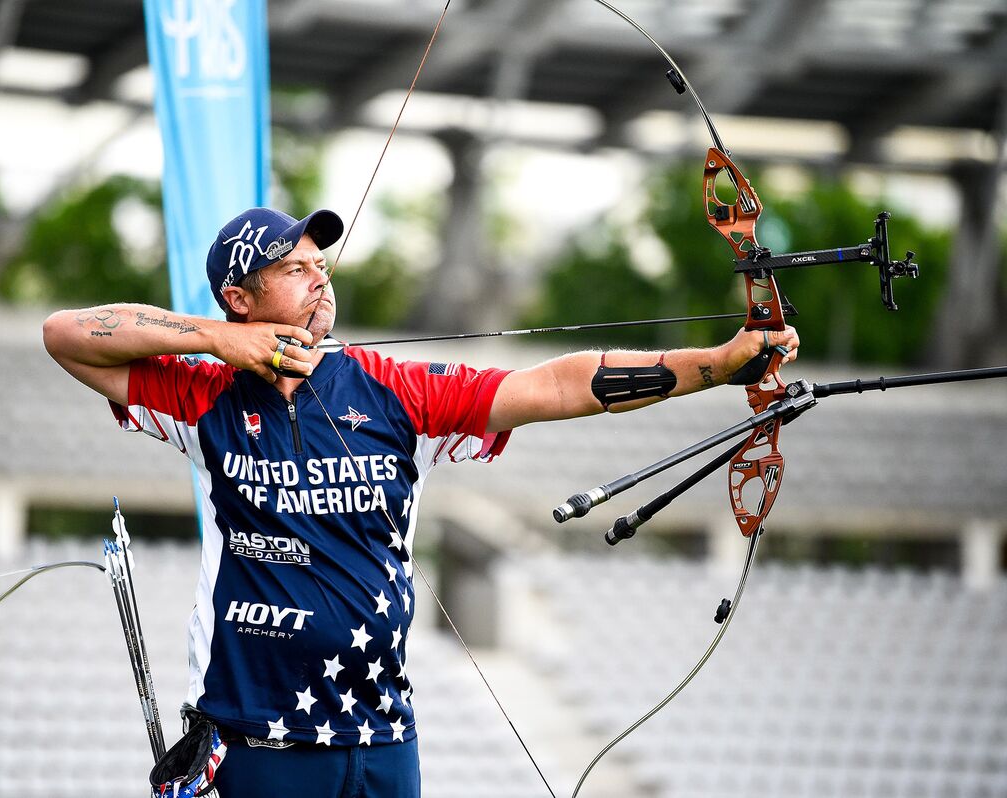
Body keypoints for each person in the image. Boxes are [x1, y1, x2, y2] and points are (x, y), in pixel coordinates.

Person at [43, 206, 799, 798]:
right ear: (240, 297)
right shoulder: (199, 396)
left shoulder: (396, 392)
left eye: (320, 264)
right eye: (293, 268)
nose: (319, 278)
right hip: (258, 745)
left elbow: (559, 386)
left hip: (383, 740)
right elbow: (65, 334)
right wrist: (217, 341)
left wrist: (721, 364)